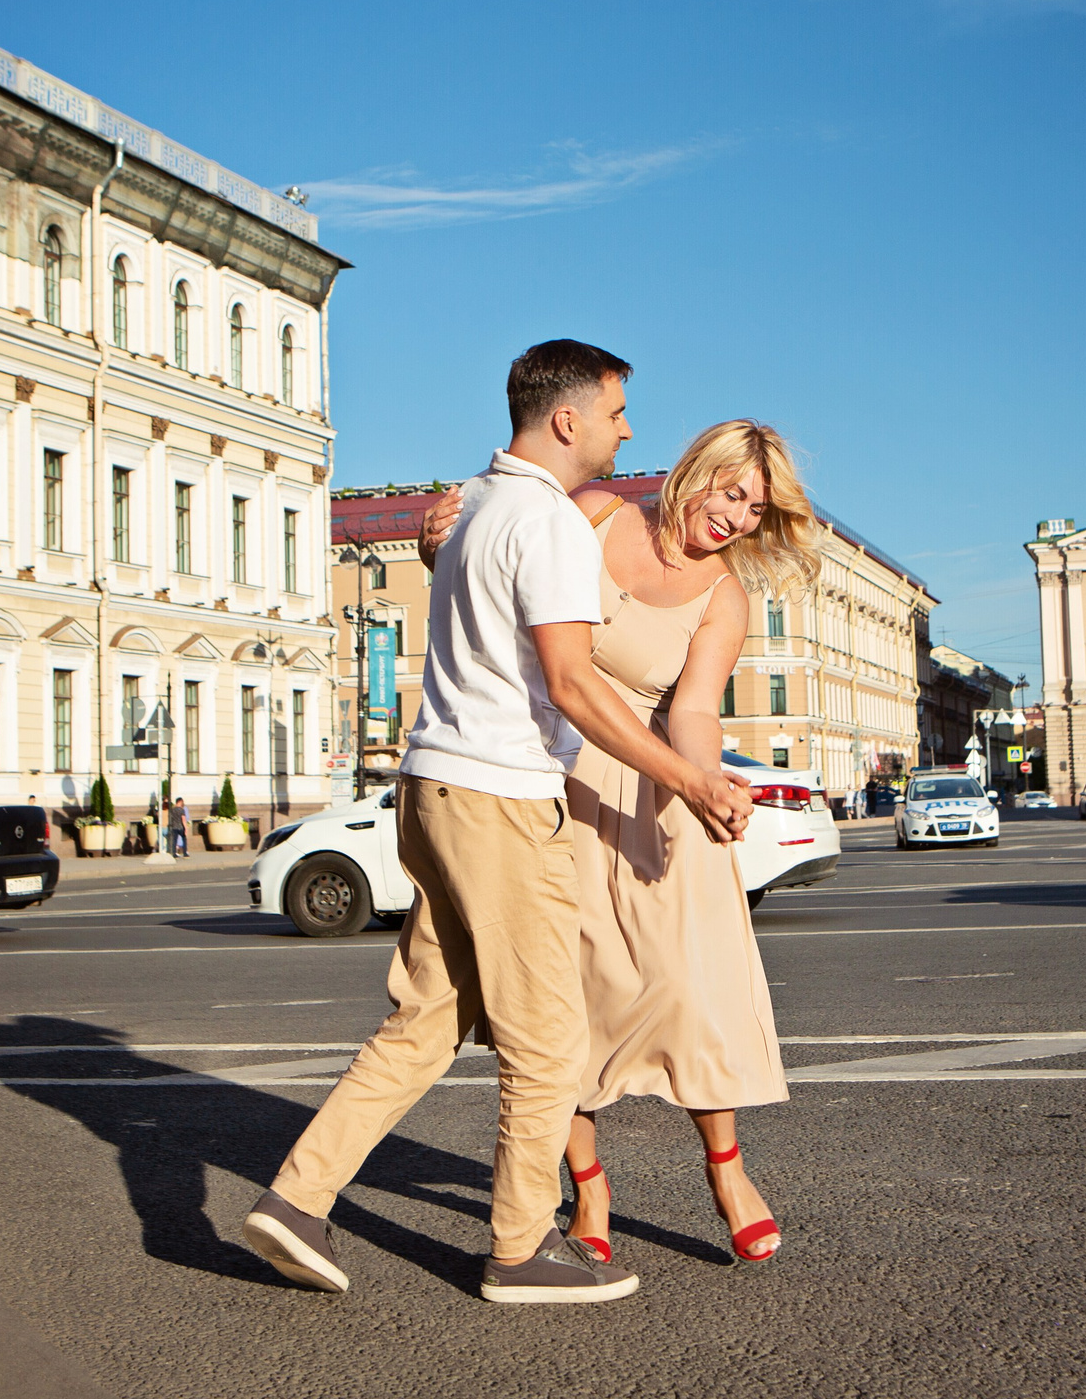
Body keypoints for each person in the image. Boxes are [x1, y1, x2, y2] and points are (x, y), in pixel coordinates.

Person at [240, 341, 752, 1306]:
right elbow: (570, 681)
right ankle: (519, 1247)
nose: (626, 428)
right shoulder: (554, 524)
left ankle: (297, 1198)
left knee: (427, 1019)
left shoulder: (475, 502)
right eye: (616, 410)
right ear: (568, 420)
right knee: (549, 1038)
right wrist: (686, 776)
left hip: (429, 785)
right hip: (501, 795)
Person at [420, 419, 819, 1267]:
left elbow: (696, 709)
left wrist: (701, 784)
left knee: (693, 986)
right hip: (542, 776)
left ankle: (727, 1171)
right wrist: (435, 557)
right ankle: (589, 1185)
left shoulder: (724, 595)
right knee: (559, 998)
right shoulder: (594, 513)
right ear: (693, 474)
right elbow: (501, 578)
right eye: (730, 492)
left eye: (756, 507)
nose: (739, 516)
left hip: (652, 782)